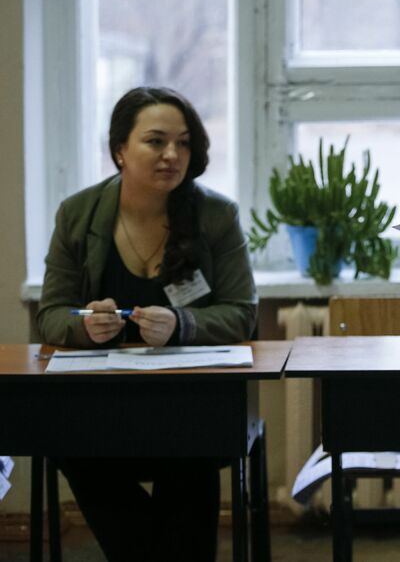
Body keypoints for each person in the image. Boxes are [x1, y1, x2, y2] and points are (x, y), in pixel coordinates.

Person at [36, 87, 258, 561]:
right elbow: (51, 314)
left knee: (192, 452)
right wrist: (84, 327)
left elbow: (243, 312)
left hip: (189, 403)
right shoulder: (77, 215)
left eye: (183, 143)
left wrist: (182, 324)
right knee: (71, 447)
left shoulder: (217, 215)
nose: (172, 155)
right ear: (119, 149)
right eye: (155, 141)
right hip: (100, 404)